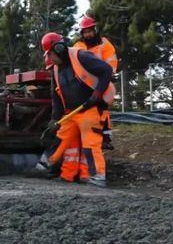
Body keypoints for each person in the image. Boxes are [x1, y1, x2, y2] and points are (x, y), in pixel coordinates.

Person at [36, 32, 115, 187]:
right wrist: (55, 118)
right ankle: (44, 166)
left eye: (51, 54)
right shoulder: (57, 70)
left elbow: (106, 70)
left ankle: (97, 176)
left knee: (90, 143)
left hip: (90, 108)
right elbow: (56, 96)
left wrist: (97, 94)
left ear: (58, 48)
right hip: (71, 112)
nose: (51, 58)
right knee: (60, 139)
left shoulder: (81, 56)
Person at [72, 16, 117, 149]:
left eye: (90, 31)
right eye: (85, 32)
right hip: (84, 83)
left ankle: (106, 137)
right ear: (82, 33)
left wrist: (110, 74)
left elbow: (111, 61)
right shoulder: (78, 46)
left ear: (95, 30)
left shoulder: (104, 43)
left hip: (102, 80)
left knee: (102, 106)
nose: (88, 34)